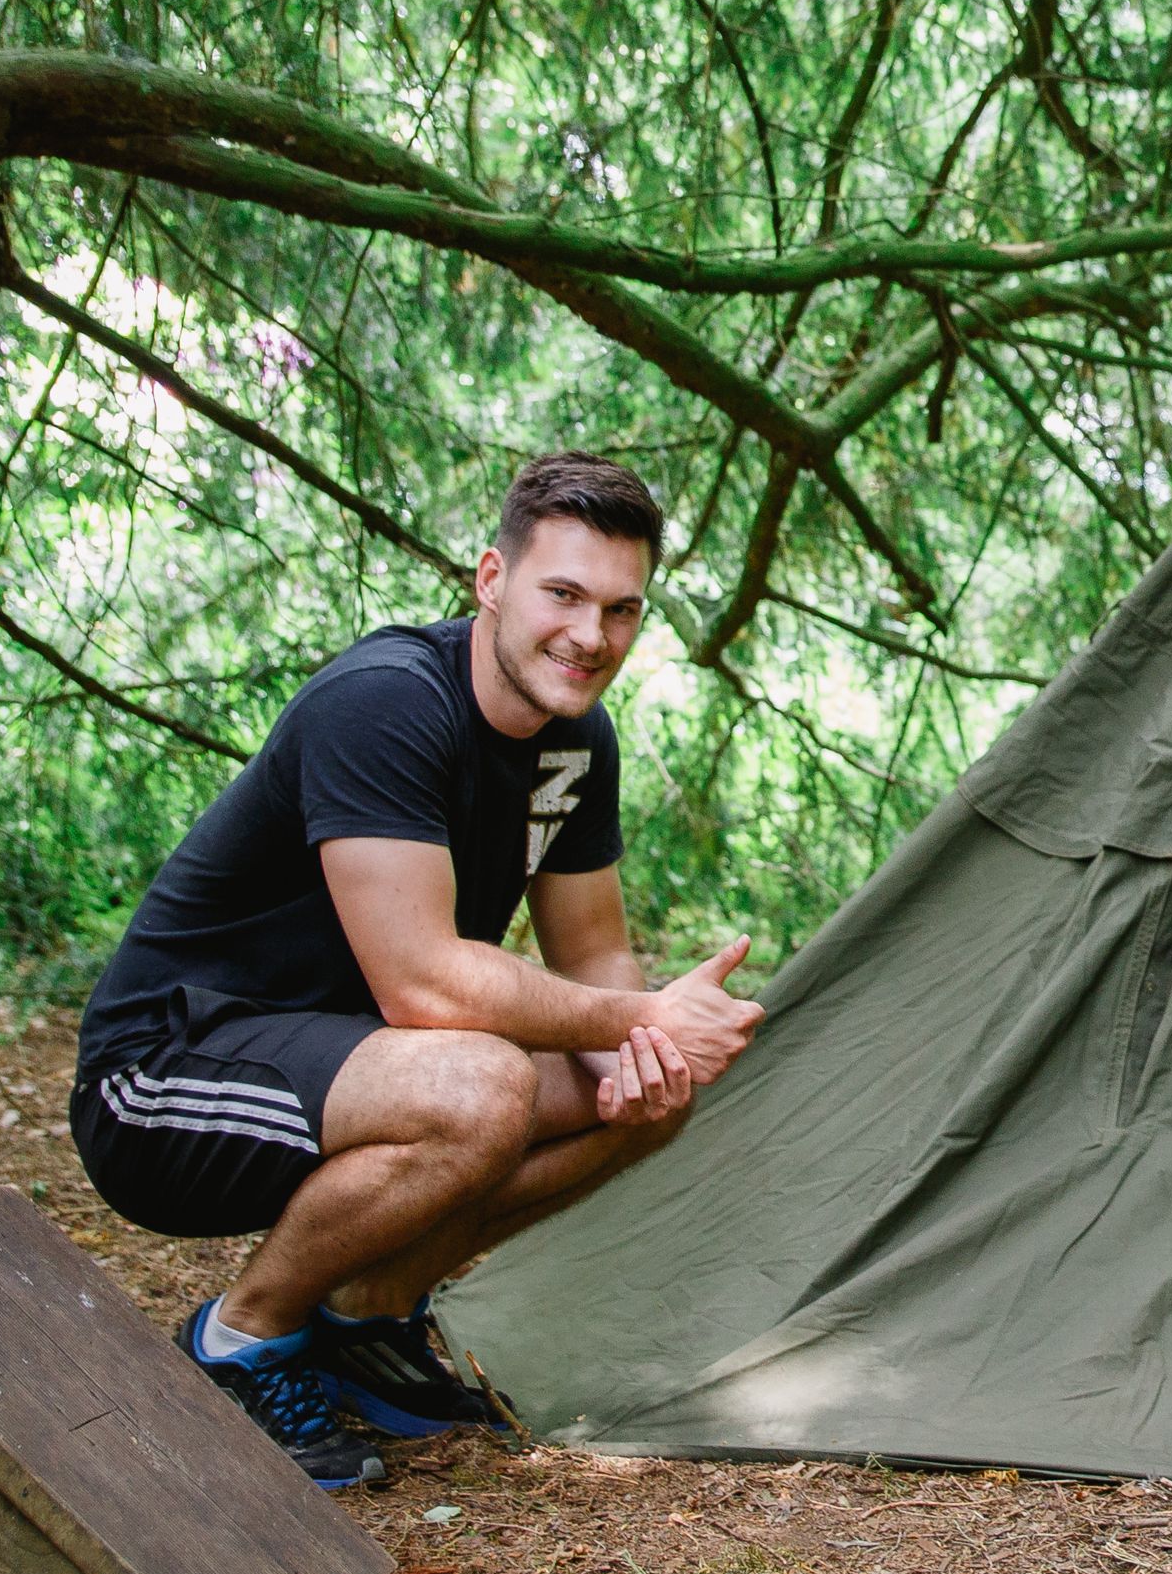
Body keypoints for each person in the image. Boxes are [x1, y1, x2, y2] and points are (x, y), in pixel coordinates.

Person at [70, 454, 764, 1488]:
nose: (590, 636)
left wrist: (645, 1042)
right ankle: (240, 1340)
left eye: (621, 610)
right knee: (480, 1084)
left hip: (358, 1071)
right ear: (492, 580)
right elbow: (424, 986)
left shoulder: (575, 742)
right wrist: (636, 1012)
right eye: (562, 594)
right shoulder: (387, 701)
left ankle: (367, 1319)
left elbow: (592, 951)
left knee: (643, 1096)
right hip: (168, 1075)